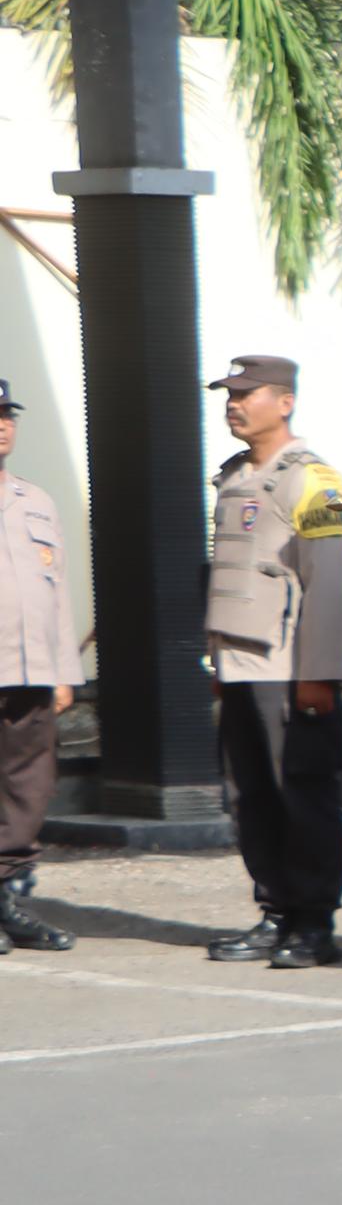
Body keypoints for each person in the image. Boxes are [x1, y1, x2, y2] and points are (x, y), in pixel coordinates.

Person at [201, 355, 342, 969]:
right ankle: (276, 910)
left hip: (289, 673)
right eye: (228, 394)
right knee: (251, 797)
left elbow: (332, 583)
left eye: (247, 393)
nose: (233, 403)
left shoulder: (313, 480)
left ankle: (314, 922)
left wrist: (319, 672)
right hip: (239, 669)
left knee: (302, 797)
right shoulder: (235, 476)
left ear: (284, 402)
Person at [0, 385, 71, 951]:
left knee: (26, 789)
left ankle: (7, 901)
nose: (2, 426)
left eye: (6, 416)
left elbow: (59, 593)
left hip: (30, 673)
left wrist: (65, 670)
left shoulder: (36, 501)